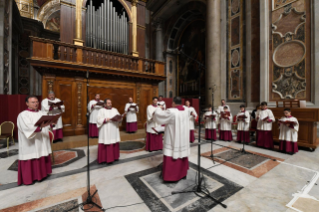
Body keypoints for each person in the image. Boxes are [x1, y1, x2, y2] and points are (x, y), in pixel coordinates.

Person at [17, 96, 53, 185]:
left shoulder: (41, 113)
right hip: (30, 143)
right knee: (31, 156)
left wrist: (51, 123)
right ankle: (30, 178)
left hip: (41, 141)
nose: (36, 104)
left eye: (36, 102)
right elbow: (27, 128)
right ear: (27, 103)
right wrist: (40, 127)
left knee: (41, 154)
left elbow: (47, 126)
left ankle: (42, 175)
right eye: (33, 102)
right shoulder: (23, 115)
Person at [153, 96, 190, 182]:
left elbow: (158, 116)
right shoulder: (186, 110)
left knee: (172, 153)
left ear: (173, 103)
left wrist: (159, 108)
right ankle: (182, 174)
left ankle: (171, 177)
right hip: (183, 138)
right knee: (182, 154)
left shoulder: (171, 112)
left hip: (173, 137)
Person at [96, 99, 122, 164]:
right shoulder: (101, 110)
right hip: (105, 130)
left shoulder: (115, 110)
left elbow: (119, 117)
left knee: (114, 142)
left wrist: (120, 119)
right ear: (105, 104)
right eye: (108, 103)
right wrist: (105, 119)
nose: (110, 104)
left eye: (110, 103)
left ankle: (115, 157)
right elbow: (98, 120)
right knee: (106, 142)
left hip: (113, 129)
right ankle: (104, 159)